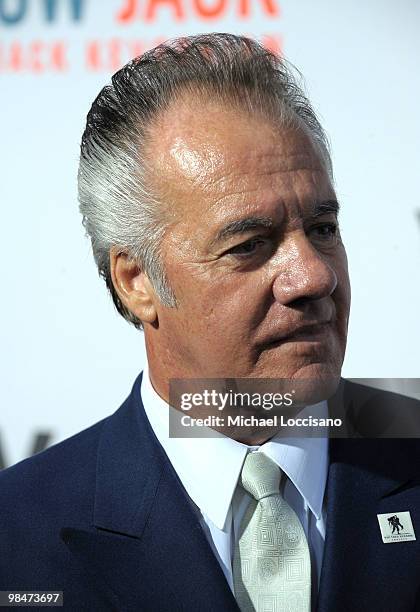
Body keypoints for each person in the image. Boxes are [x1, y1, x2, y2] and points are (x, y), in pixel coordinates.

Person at [1, 33, 420, 612]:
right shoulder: (18, 532)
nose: (313, 277)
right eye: (250, 244)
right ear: (137, 281)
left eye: (323, 229)